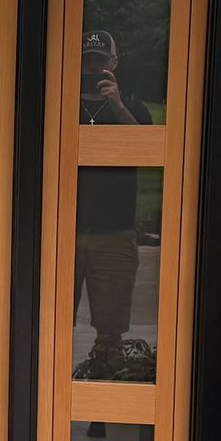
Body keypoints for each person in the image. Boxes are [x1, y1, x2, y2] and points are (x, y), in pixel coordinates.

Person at [74, 30, 151, 402]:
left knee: (111, 330)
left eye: (100, 60)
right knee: (51, 325)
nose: (93, 67)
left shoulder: (132, 105)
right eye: (87, 60)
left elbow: (149, 155)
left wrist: (117, 105)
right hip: (64, 229)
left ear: (114, 64)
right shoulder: (62, 100)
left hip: (115, 232)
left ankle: (103, 411)